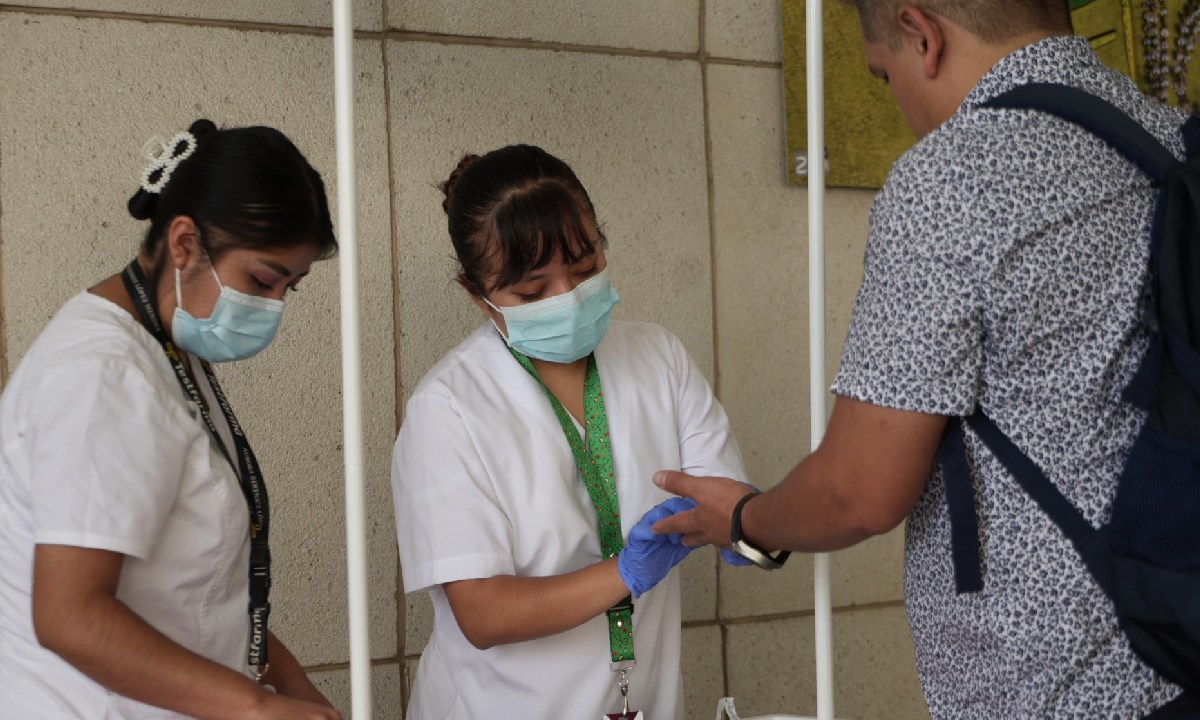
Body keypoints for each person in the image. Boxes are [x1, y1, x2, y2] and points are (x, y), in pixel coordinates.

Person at [652, 1, 1199, 717]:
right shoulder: (1172, 141)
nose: (903, 104)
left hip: (1058, 680)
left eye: (885, 76)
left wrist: (746, 521)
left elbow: (859, 489)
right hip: (1182, 629)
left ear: (921, 34)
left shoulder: (953, 176)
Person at [0, 119, 343, 719]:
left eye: (293, 286)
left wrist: (302, 698)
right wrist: (255, 708)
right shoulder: (102, 375)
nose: (273, 307)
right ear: (184, 243)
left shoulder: (168, 345)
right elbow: (68, 616)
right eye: (263, 279)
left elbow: (209, 600)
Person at [391, 144, 748, 720]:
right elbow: (484, 614)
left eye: (584, 270)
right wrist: (623, 572)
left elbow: (727, 503)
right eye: (532, 293)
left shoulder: (657, 357)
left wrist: (750, 529)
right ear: (478, 298)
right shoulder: (449, 407)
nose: (568, 298)